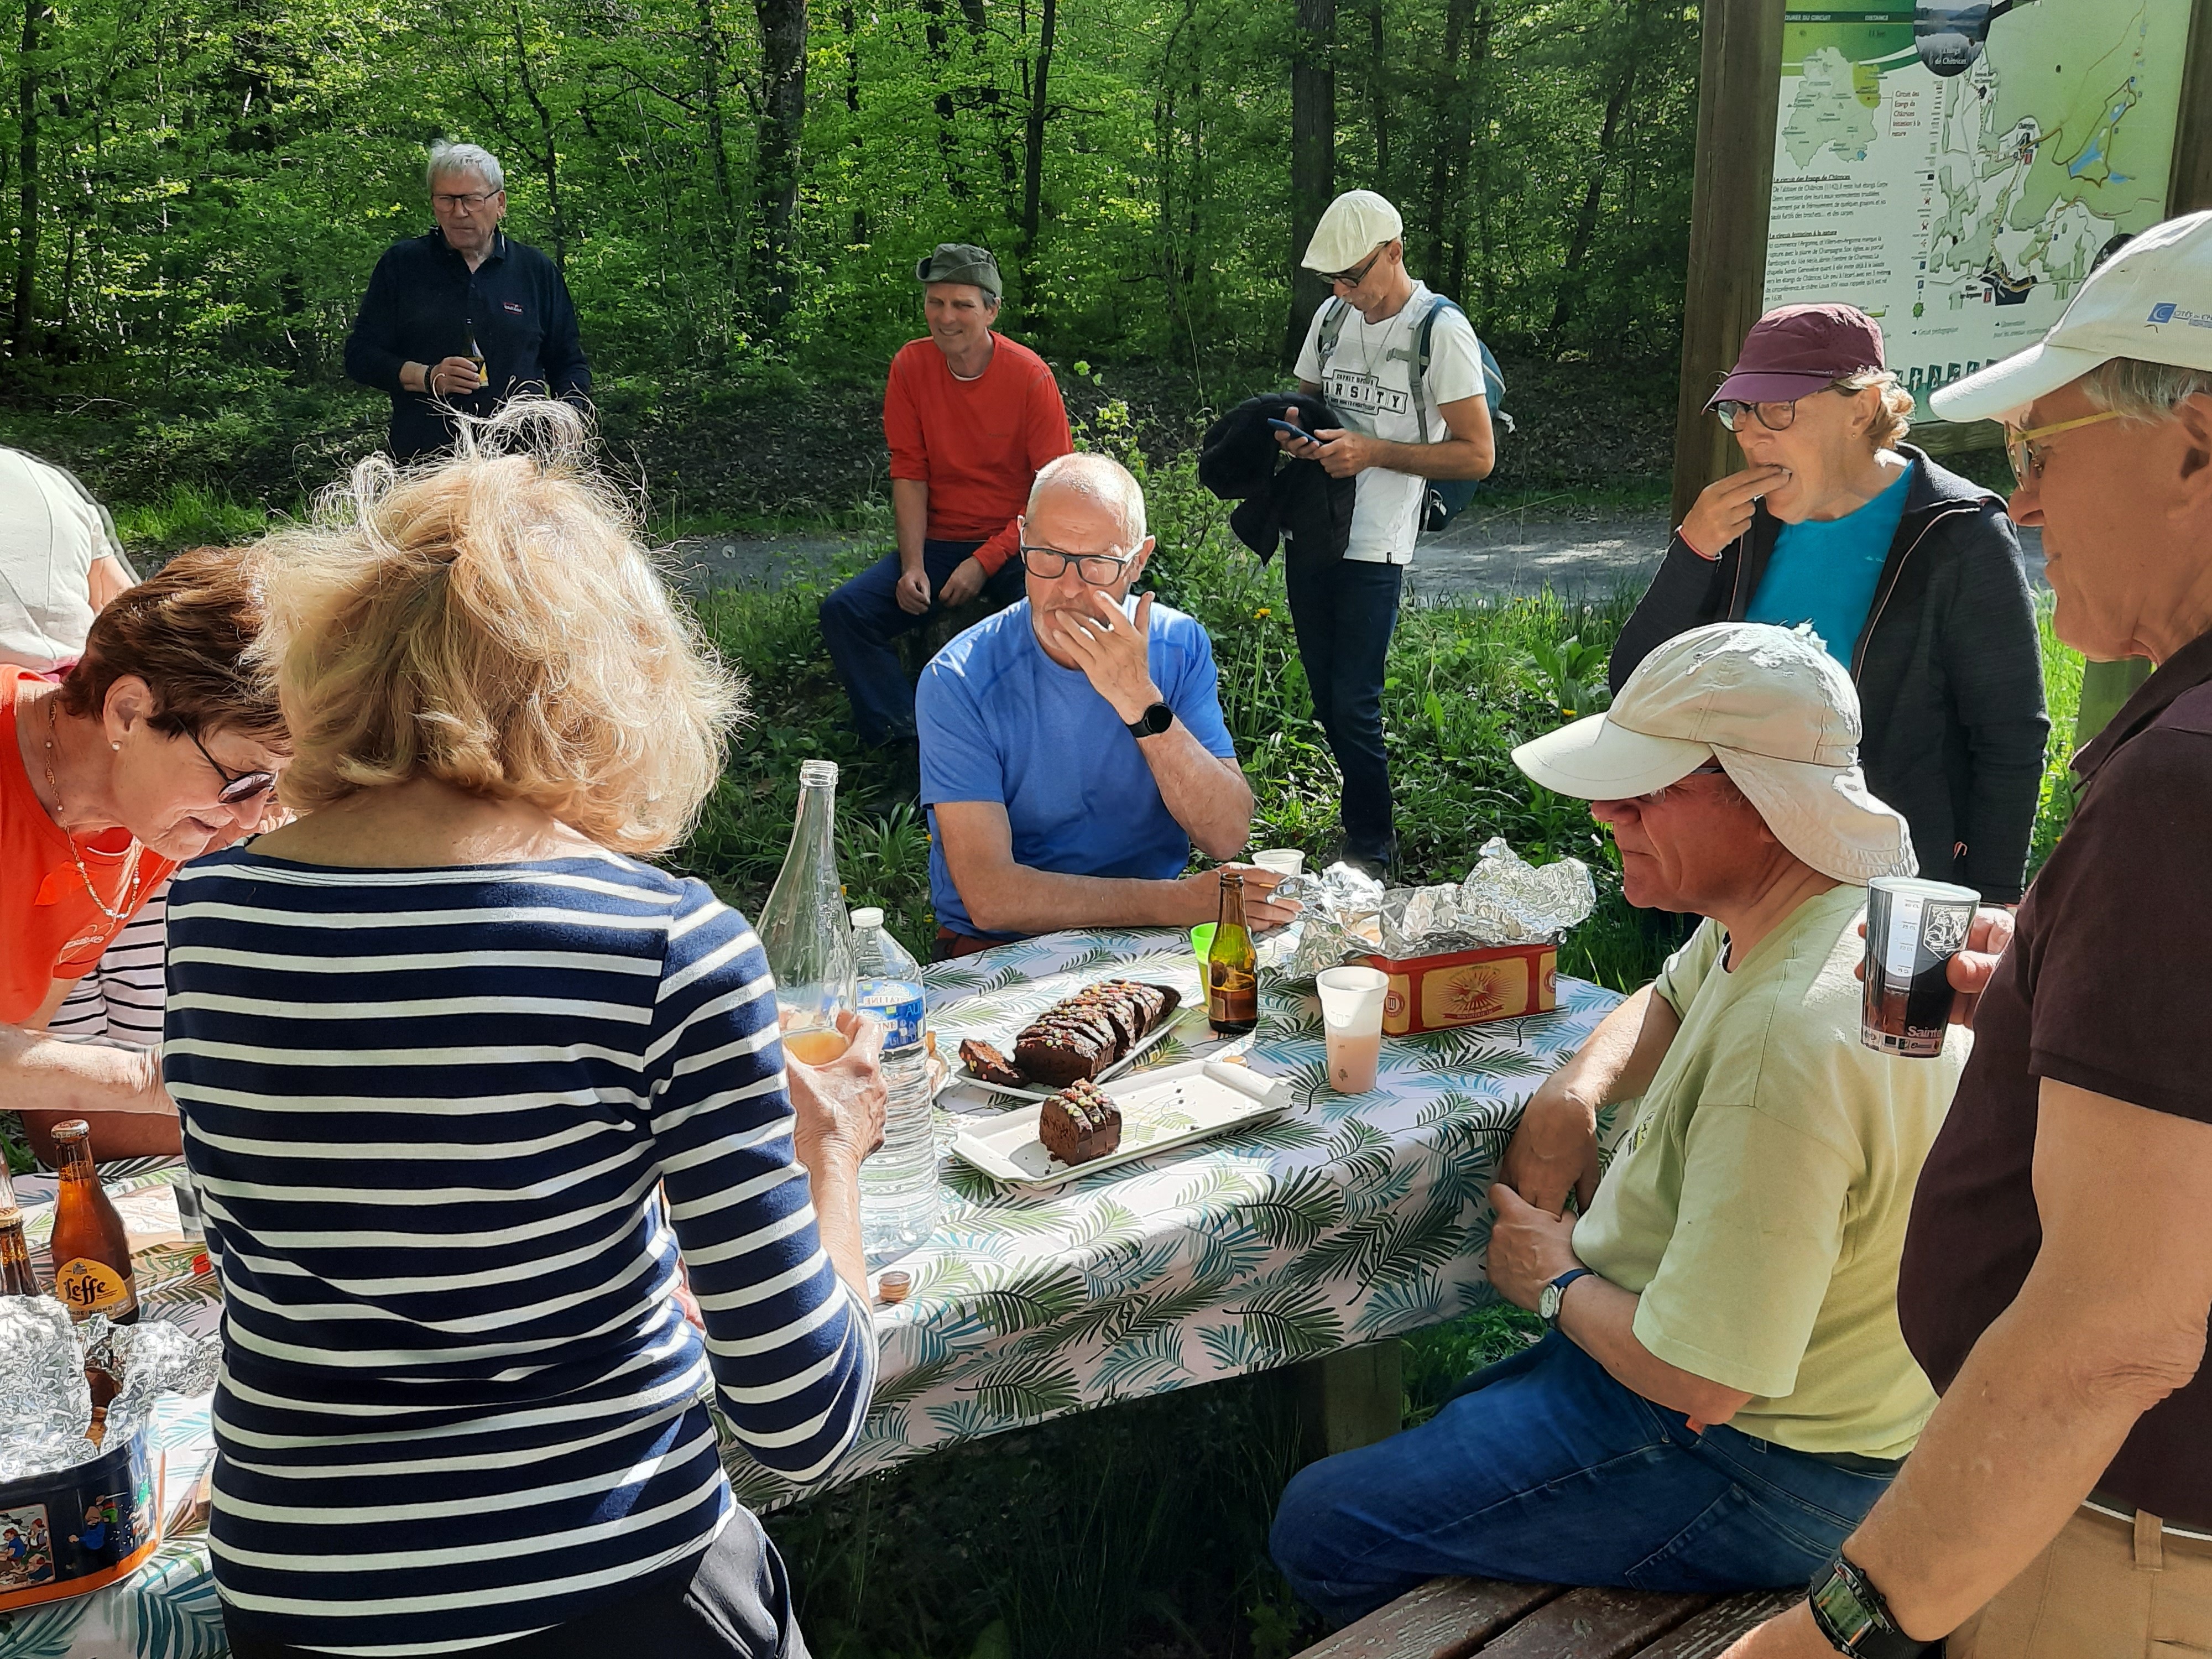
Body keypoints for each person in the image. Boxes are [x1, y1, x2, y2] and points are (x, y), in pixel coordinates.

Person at [166, 400, 884, 1659]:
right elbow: (802, 1421)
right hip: (611, 1594)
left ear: (336, 658)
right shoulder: (666, 942)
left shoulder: (210, 918)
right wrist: (833, 1167)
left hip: (305, 1599)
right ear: (616, 685)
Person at [1722, 211, 2212, 1659]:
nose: (2031, 508)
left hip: (2128, 1560)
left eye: (2046, 454)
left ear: (2198, 442)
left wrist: (1832, 1634)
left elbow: (2114, 1331)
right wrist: (2074, 991)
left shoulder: (2187, 782)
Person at [1272, 622, 1962, 1621]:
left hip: (1765, 1459)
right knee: (1462, 1419)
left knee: (1322, 1526)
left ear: (1770, 804)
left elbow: (1702, 1380)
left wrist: (1550, 1281)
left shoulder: (1782, 1052)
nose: (1604, 811)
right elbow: (1674, 993)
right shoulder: (1842, 916)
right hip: (1845, 1410)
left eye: (1645, 792)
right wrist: (1573, 1093)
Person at [1612, 302, 2048, 902]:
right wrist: (1693, 551)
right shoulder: (1736, 527)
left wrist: (1994, 900)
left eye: (1777, 409)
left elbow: (2010, 737)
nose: (1750, 432)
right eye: (1740, 411)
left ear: (1862, 409)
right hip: (1741, 879)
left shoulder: (1958, 531)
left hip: (1889, 883)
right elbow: (1634, 690)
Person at [918, 452, 1296, 957]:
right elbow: (991, 898)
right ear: (1022, 538)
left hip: (1149, 936)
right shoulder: (959, 678)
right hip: (1002, 944)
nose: (1069, 589)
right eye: (1048, 555)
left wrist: (1141, 700)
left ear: (1137, 562)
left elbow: (1226, 835)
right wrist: (1179, 902)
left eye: (1097, 563)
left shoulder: (1178, 646)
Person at [3, 549, 288, 1162]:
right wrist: (158, 1082)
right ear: (129, 711)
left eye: (276, 789)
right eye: (242, 781)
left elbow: (18, 1037)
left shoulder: (144, 816)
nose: (248, 820)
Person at [1278, 189, 1495, 877]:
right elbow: (1305, 400)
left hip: (1378, 539)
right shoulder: (1333, 315)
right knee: (1323, 695)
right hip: (1314, 525)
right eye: (1332, 282)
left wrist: (1371, 451)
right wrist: (1294, 433)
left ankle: (1371, 846)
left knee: (1354, 700)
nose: (1344, 292)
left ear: (1394, 253)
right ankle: (1359, 826)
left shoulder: (1440, 330)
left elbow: (1476, 454)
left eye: (1354, 277)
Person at [819, 242, 1073, 749]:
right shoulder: (911, 367)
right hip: (939, 542)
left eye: (962, 305)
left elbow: (1054, 491)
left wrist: (984, 561)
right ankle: (907, 749)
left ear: (991, 310)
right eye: (936, 302)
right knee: (845, 612)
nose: (946, 317)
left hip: (1019, 541)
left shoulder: (1029, 377)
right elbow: (909, 471)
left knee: (1046, 616)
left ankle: (1034, 749)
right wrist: (913, 564)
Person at [0, 444, 168, 1051]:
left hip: (73, 757)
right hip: (94, 748)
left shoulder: (43, 481)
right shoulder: (39, 477)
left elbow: (137, 620)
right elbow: (137, 617)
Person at [343, 141, 591, 463]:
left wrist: (569, 422)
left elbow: (568, 363)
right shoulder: (402, 265)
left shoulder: (535, 271)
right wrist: (428, 377)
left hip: (521, 468)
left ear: (499, 203)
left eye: (472, 200)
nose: (458, 212)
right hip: (425, 467)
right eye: (446, 200)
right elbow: (360, 356)